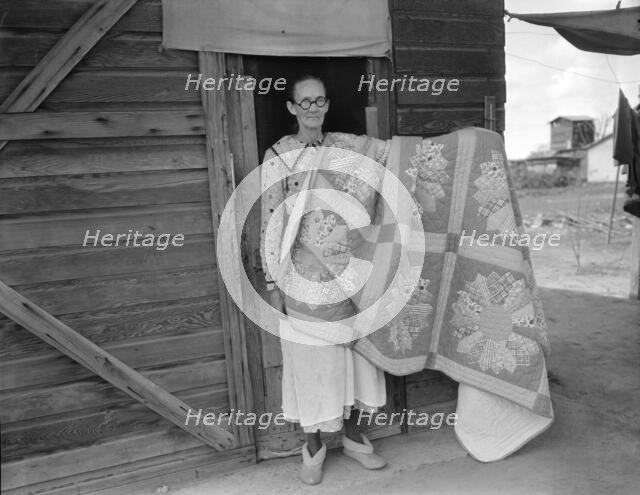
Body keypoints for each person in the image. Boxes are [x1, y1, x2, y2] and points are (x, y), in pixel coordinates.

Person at [259, 75, 390, 485]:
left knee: (355, 355)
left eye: (319, 100)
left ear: (327, 105)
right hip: (301, 275)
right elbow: (270, 218)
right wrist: (272, 281)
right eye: (305, 101)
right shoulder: (279, 155)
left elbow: (391, 159)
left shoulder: (348, 148)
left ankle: (354, 438)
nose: (312, 108)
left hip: (348, 272)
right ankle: (313, 448)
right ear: (291, 108)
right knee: (312, 360)